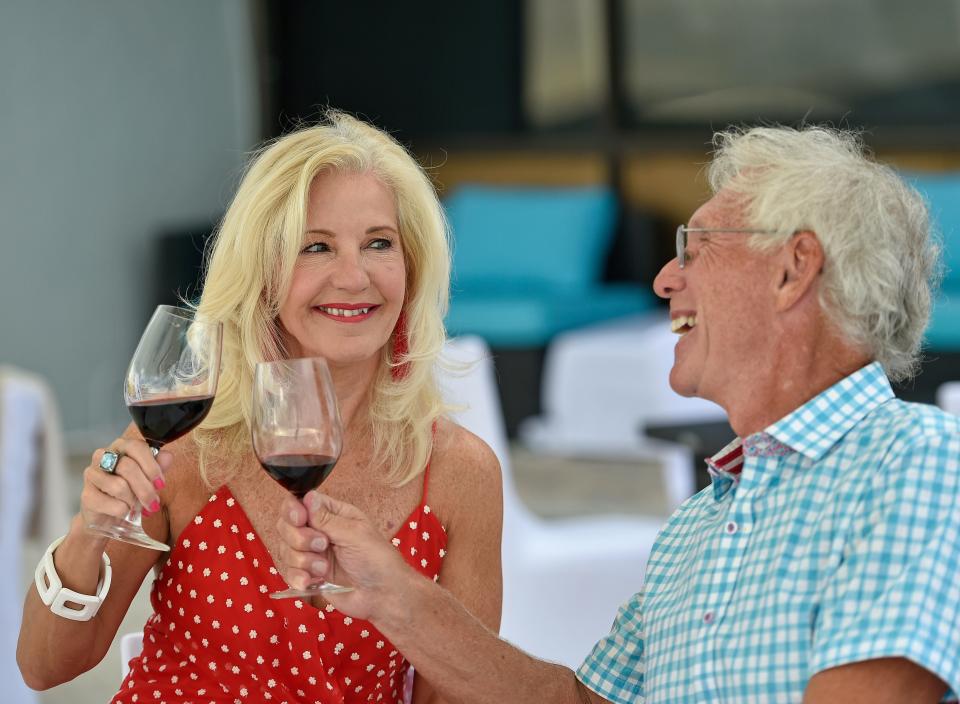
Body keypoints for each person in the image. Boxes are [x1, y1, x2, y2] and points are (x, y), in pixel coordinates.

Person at [275, 125, 960, 703]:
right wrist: (397, 599)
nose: (665, 278)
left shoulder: (919, 460)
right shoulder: (700, 523)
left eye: (697, 247)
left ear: (792, 268)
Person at [17, 111, 503, 704]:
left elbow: (462, 693)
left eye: (379, 243)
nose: (354, 276)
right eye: (315, 247)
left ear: (412, 267)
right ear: (263, 274)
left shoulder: (458, 474)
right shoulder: (189, 447)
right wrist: (88, 534)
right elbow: (45, 668)